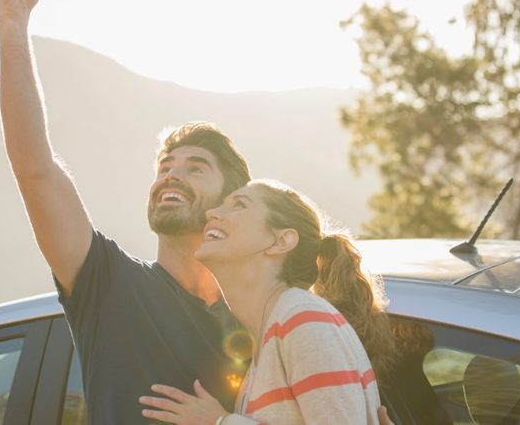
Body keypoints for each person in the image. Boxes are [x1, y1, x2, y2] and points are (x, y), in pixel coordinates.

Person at [0, 0, 399, 425]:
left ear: (229, 204)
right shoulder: (110, 285)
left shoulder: (269, 317)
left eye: (195, 168)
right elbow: (35, 170)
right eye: (164, 167)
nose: (172, 175)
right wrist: (12, 22)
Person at [140, 180, 399, 424]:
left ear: (281, 241)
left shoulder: (302, 319)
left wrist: (220, 421)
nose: (211, 213)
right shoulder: (274, 334)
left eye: (239, 204)